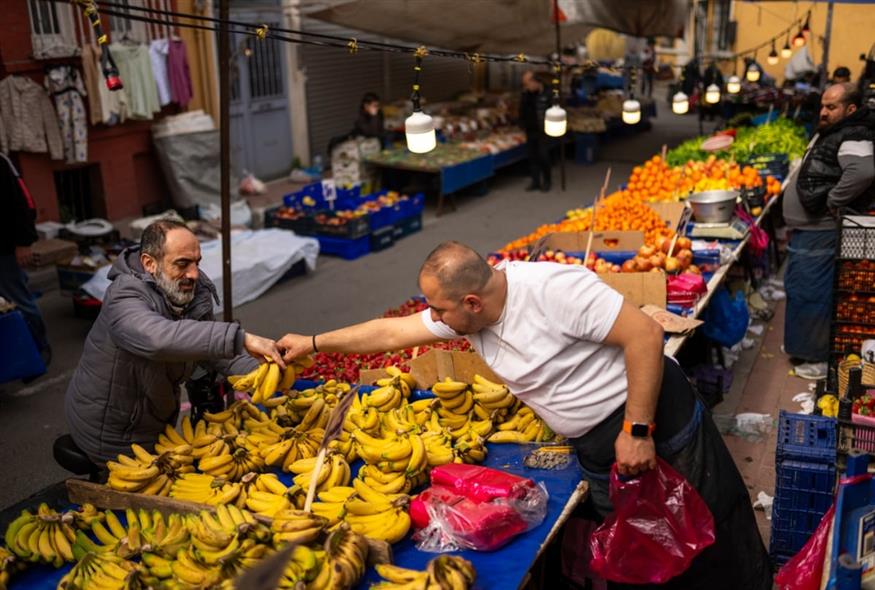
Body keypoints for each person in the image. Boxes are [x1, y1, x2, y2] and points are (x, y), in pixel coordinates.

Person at [278, 241, 772, 589]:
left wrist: (637, 429)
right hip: (601, 448)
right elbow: (390, 334)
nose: (435, 318)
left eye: (441, 310)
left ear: (471, 302)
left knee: (707, 533)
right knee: (643, 548)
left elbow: (643, 335)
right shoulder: (467, 316)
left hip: (654, 422)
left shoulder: (551, 290)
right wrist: (315, 342)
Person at [64, 219, 284, 463]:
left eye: (196, 262)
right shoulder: (124, 296)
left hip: (154, 421)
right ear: (149, 263)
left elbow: (210, 350)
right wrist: (241, 338)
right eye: (182, 264)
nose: (194, 274)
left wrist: (268, 370)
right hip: (110, 430)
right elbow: (158, 339)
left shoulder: (188, 290)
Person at [782, 83, 875, 380]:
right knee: (800, 289)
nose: (823, 112)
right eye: (822, 105)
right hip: (808, 230)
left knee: (812, 292)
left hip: (820, 231)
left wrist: (834, 199)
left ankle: (819, 360)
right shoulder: (837, 131)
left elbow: (863, 170)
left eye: (831, 107)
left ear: (850, 109)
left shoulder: (855, 132)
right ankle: (804, 349)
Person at [0, 153, 50, 373]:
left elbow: (24, 203)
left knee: (19, 300)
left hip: (5, 248)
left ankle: (40, 346)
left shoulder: (1, 162)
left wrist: (24, 242)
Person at [520, 71, 552, 192]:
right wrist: (522, 123)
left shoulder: (548, 93)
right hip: (530, 129)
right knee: (532, 156)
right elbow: (522, 109)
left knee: (543, 156)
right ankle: (535, 182)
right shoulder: (526, 94)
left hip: (543, 130)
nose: (526, 87)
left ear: (535, 82)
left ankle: (547, 181)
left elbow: (554, 110)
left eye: (527, 84)